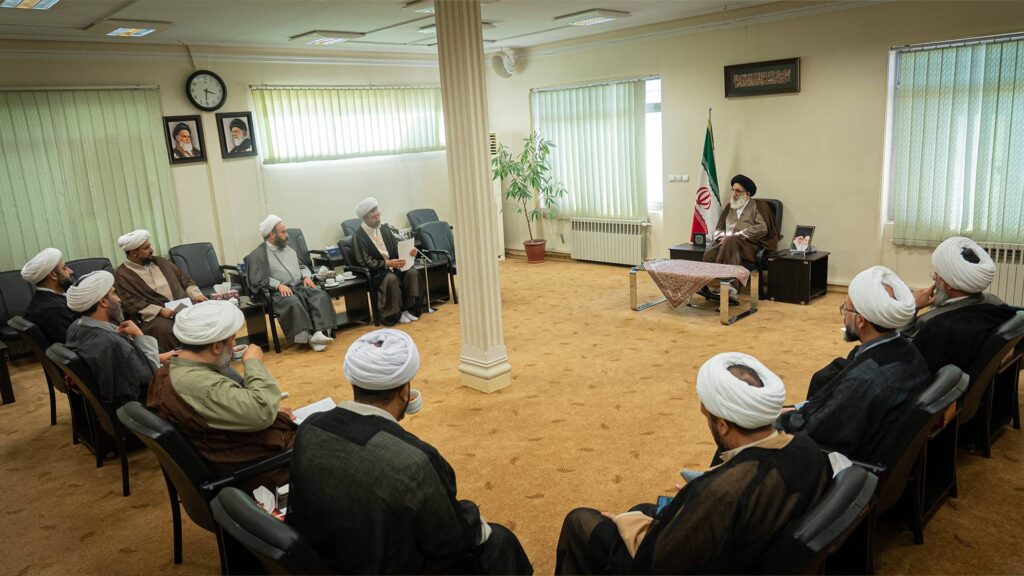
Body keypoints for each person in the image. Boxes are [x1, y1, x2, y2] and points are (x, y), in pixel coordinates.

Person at [556, 353, 831, 574]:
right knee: (641, 508)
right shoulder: (807, 447)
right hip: (754, 549)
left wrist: (628, 523)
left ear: (722, 426)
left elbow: (657, 563)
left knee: (580, 520)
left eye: (707, 415)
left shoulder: (721, 492)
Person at [287, 329, 533, 574]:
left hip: (324, 562)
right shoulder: (413, 460)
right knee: (500, 539)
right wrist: (471, 513)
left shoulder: (310, 427)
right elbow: (451, 541)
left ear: (355, 383)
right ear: (405, 392)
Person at [778, 266, 931, 462]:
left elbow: (811, 431)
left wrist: (776, 417)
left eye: (846, 309)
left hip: (840, 463)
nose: (844, 315)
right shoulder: (907, 349)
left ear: (860, 321)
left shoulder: (865, 379)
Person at [146, 300, 295, 492]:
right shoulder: (200, 384)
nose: (234, 345)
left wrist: (274, 414)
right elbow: (262, 411)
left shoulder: (167, 372)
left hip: (238, 455)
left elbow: (220, 411)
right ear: (217, 346)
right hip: (263, 470)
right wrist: (253, 363)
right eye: (232, 339)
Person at [902, 236, 1017, 374]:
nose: (934, 279)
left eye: (936, 275)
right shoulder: (995, 302)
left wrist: (912, 306)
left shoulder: (937, 326)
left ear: (948, 284)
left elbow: (900, 353)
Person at [63, 271, 176, 405]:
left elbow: (127, 365)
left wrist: (157, 357)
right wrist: (139, 335)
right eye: (114, 293)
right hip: (149, 401)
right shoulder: (110, 343)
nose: (119, 299)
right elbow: (152, 378)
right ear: (103, 302)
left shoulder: (76, 327)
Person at [244, 215, 335, 351]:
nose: (287, 235)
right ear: (272, 235)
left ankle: (319, 332)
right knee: (293, 302)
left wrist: (306, 277)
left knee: (319, 295)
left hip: (300, 285)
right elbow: (258, 279)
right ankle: (309, 338)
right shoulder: (258, 255)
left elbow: (302, 266)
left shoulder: (290, 247)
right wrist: (278, 285)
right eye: (283, 232)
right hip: (278, 292)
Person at [113, 229, 207, 352]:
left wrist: (196, 295)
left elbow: (185, 280)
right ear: (133, 253)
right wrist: (160, 311)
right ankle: (179, 360)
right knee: (166, 330)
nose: (151, 250)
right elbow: (129, 303)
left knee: (205, 317)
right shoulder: (122, 275)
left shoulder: (161, 262)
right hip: (155, 317)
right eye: (146, 248)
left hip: (184, 307)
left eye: (149, 246)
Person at [700, 174, 780, 300]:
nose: (734, 194)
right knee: (709, 254)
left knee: (731, 241)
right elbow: (719, 229)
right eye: (733, 190)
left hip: (749, 246)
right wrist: (720, 237)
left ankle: (731, 288)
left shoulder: (758, 206)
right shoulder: (729, 207)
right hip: (727, 244)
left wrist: (738, 234)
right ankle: (710, 286)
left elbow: (762, 228)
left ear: (747, 193)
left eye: (738, 191)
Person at [351, 197, 423, 325]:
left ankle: (409, 309)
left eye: (378, 214)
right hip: (377, 272)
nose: (378, 218)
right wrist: (386, 263)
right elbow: (364, 261)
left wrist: (410, 253)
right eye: (374, 216)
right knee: (391, 279)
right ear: (365, 218)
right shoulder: (358, 236)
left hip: (395, 265)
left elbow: (396, 247)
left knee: (412, 272)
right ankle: (394, 314)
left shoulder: (385, 229)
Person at [20, 247, 78, 345]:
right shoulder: (53, 310)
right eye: (64, 268)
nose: (71, 271)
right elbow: (78, 342)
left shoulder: (41, 299)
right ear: (53, 275)